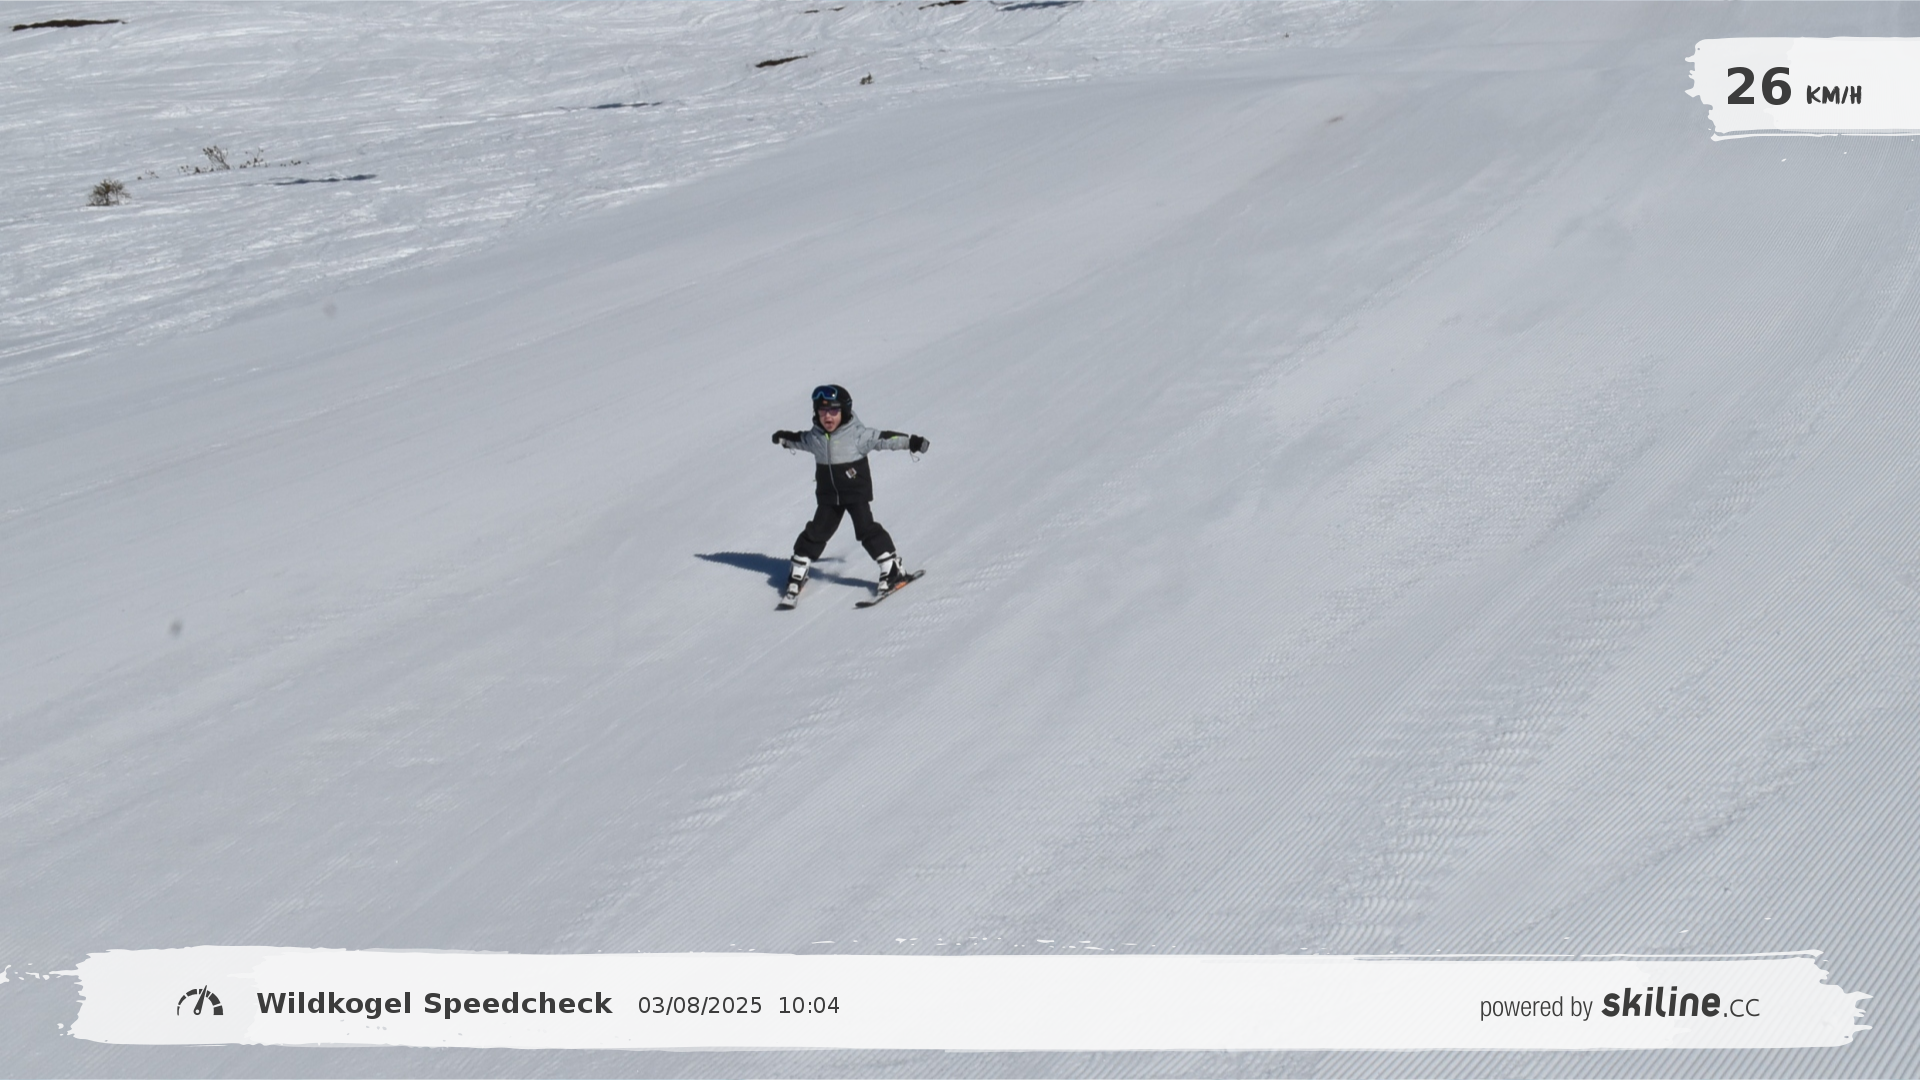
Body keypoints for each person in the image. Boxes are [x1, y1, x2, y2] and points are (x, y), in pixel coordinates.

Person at [771, 384, 929, 606]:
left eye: (833, 411)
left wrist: (911, 442)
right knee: (817, 531)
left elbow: (884, 438)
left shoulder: (857, 434)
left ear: (844, 411)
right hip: (829, 497)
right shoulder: (816, 436)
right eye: (822, 411)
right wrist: (784, 438)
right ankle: (799, 568)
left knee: (866, 529)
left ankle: (892, 568)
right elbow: (800, 440)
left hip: (855, 493)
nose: (828, 416)